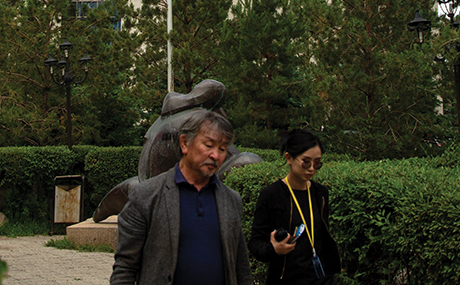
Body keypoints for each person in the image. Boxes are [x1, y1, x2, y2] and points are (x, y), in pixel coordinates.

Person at [111, 109, 253, 285]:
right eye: (209, 145)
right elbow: (125, 268)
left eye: (222, 149)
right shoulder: (146, 195)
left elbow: (241, 268)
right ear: (184, 143)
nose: (215, 155)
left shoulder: (231, 200)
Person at [248, 129, 341, 284]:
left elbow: (322, 238)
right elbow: (255, 243)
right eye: (306, 162)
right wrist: (274, 249)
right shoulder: (271, 195)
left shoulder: (320, 193)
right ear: (289, 158)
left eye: (317, 163)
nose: (311, 168)